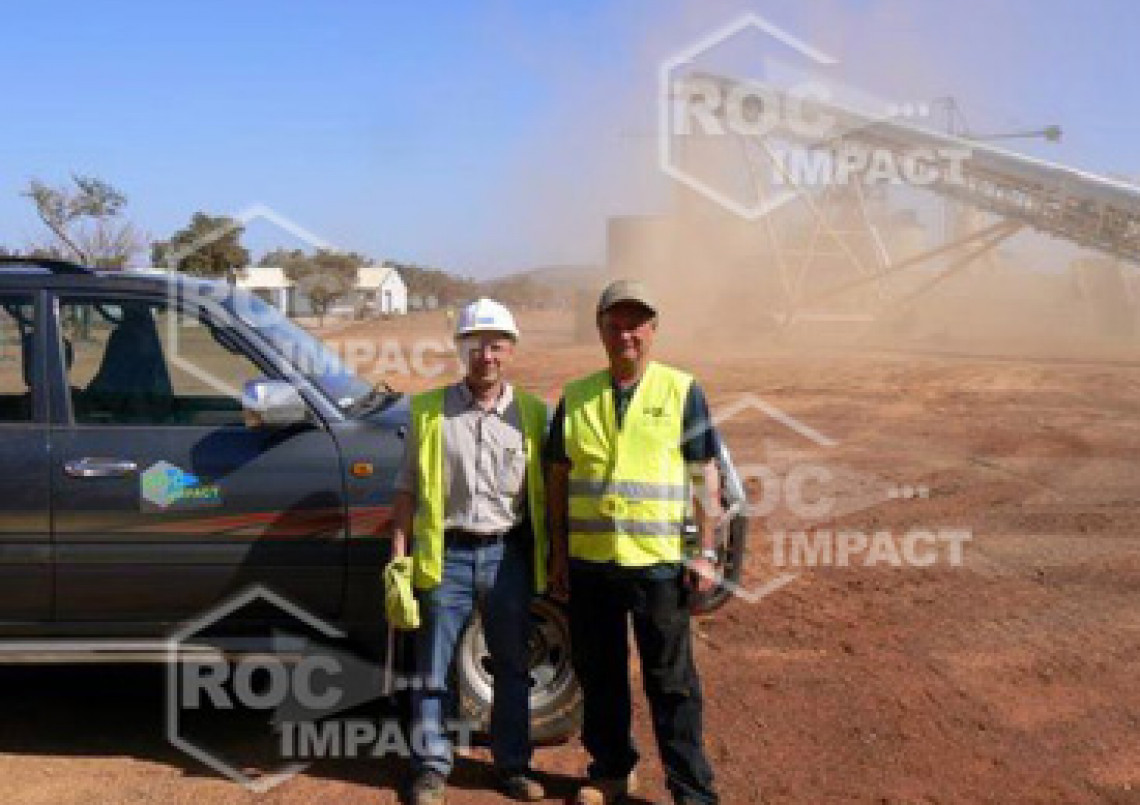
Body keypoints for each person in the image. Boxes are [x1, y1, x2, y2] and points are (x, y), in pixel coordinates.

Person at [545, 279, 722, 805]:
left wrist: (705, 550)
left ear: (653, 330)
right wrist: (558, 552)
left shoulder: (681, 390)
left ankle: (692, 791)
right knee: (600, 677)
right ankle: (611, 772)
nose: (627, 334)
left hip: (659, 565)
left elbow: (702, 473)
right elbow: (558, 479)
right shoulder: (576, 396)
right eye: (615, 324)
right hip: (593, 564)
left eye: (637, 324)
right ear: (600, 330)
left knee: (672, 684)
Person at [391, 297, 550, 805]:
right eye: (476, 344)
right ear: (462, 348)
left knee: (511, 668)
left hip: (508, 558)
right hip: (448, 556)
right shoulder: (428, 410)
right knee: (433, 671)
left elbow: (552, 490)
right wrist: (399, 558)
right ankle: (432, 768)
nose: (487, 355)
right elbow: (407, 489)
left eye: (497, 345)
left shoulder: (533, 414)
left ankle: (512, 766)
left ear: (510, 350)